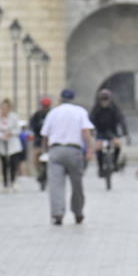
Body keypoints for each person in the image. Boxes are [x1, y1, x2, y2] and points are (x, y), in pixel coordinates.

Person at [40, 88, 94, 225]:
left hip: (56, 150)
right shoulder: (80, 111)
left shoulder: (53, 112)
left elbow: (45, 135)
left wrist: (45, 151)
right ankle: (78, 212)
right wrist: (90, 149)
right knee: (77, 184)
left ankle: (57, 213)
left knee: (56, 184)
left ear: (60, 98)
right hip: (74, 150)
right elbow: (85, 131)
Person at [89, 89, 128, 178]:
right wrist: (92, 131)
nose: (105, 102)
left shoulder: (114, 108)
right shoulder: (96, 108)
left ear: (110, 100)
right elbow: (91, 120)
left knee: (117, 144)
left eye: (106, 99)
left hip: (112, 131)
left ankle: (114, 162)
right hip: (100, 131)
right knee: (98, 147)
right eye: (103, 99)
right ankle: (100, 167)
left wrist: (124, 131)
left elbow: (121, 119)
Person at [0, 99, 24, 190]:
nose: (4, 110)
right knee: (4, 164)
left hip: (12, 142)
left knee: (13, 163)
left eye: (6, 108)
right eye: (2, 108)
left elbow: (18, 130)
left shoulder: (14, 117)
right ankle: (5, 183)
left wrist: (10, 133)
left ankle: (13, 181)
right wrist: (1, 135)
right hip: (1, 142)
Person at [28, 96, 52, 190]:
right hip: (39, 139)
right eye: (44, 106)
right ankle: (38, 171)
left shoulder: (52, 114)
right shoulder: (37, 115)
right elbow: (32, 126)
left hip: (50, 140)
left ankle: (48, 173)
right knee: (36, 156)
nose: (45, 108)